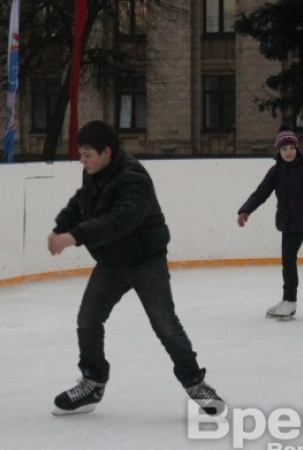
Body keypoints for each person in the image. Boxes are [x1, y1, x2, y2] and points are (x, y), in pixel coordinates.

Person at [47, 120, 224, 417]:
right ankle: (92, 382)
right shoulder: (94, 172)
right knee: (88, 320)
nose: (83, 160)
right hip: (111, 262)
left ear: (106, 152)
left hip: (145, 260)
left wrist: (74, 236)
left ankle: (196, 385)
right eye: (81, 155)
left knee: (165, 324)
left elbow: (122, 219)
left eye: (87, 154)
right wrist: (61, 226)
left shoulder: (133, 178)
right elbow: (82, 202)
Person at [237, 126, 303, 320]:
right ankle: (286, 299)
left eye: (291, 148)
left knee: (289, 259)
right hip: (287, 221)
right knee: (286, 260)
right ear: (278, 152)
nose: (288, 152)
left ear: (297, 149)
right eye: (284, 149)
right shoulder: (276, 172)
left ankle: (290, 301)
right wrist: (245, 210)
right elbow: (261, 192)